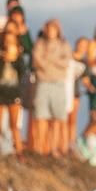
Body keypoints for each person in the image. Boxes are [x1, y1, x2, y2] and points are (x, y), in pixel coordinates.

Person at [32, 19, 70, 157]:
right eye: (48, 28)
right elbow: (37, 61)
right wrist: (53, 61)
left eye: (53, 28)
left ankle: (54, 148)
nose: (51, 31)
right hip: (43, 82)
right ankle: (39, 148)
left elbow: (66, 62)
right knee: (41, 116)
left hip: (58, 83)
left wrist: (50, 59)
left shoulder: (63, 45)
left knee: (57, 118)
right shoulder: (40, 44)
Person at [0, 29, 26, 153]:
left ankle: (19, 150)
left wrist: (14, 59)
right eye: (7, 41)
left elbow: (23, 73)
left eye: (11, 41)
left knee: (14, 125)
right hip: (0, 92)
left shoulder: (19, 59)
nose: (8, 43)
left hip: (14, 93)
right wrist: (3, 59)